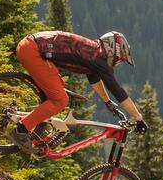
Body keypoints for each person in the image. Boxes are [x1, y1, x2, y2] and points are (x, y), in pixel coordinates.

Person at [10, 30, 147, 155]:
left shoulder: (92, 52)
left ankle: (33, 125)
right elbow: (118, 91)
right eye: (118, 59)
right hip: (32, 50)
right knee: (60, 100)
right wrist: (138, 117)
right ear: (112, 50)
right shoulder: (98, 57)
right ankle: (21, 130)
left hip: (29, 46)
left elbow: (95, 80)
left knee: (58, 90)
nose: (116, 64)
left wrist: (107, 102)